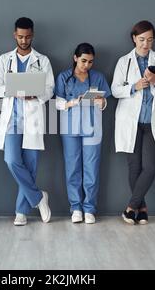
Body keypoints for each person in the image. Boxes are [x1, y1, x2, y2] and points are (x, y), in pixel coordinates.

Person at [0, 17, 54, 226]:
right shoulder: (4, 60)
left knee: (30, 165)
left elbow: (49, 90)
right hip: (11, 119)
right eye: (20, 36)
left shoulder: (42, 60)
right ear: (14, 35)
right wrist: (16, 90)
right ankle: (38, 197)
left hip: (33, 119)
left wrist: (34, 95)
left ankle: (21, 212)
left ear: (32, 35)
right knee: (11, 160)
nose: (24, 40)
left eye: (27, 36)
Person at [111, 20, 155, 225]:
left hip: (151, 122)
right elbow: (115, 90)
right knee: (134, 168)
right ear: (134, 39)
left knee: (152, 166)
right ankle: (143, 208)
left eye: (150, 40)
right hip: (131, 121)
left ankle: (130, 208)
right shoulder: (124, 61)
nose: (146, 44)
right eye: (142, 39)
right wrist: (134, 86)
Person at [55, 43, 111, 224]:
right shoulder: (64, 77)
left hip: (92, 129)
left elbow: (104, 103)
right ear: (75, 58)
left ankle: (89, 208)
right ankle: (76, 208)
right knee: (72, 169)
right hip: (69, 128)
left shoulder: (98, 77)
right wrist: (72, 102)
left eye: (90, 62)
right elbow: (57, 102)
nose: (86, 65)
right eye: (83, 61)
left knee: (91, 169)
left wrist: (101, 102)